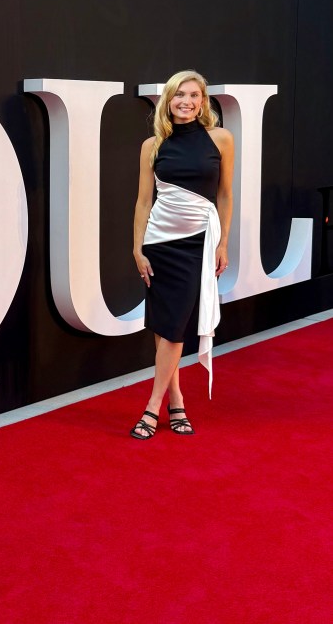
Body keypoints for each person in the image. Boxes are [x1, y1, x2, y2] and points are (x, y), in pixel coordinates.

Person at [130, 70, 234, 440]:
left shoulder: (221, 139)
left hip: (197, 244)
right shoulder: (152, 145)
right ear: (168, 100)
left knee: (174, 327)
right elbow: (144, 201)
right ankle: (176, 401)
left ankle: (151, 406)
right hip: (159, 244)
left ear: (203, 102)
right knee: (165, 326)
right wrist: (137, 248)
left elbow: (225, 195)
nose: (186, 102)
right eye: (179, 95)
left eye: (193, 95)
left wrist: (223, 243)